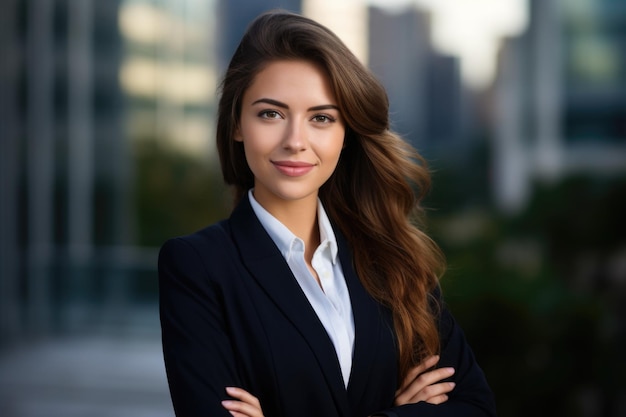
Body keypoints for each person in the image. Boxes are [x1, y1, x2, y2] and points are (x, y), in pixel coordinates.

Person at [158, 10, 496, 417]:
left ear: (345, 134)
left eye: (321, 118)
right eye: (271, 114)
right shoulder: (198, 266)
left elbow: (475, 407)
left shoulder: (391, 258)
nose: (295, 141)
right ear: (236, 123)